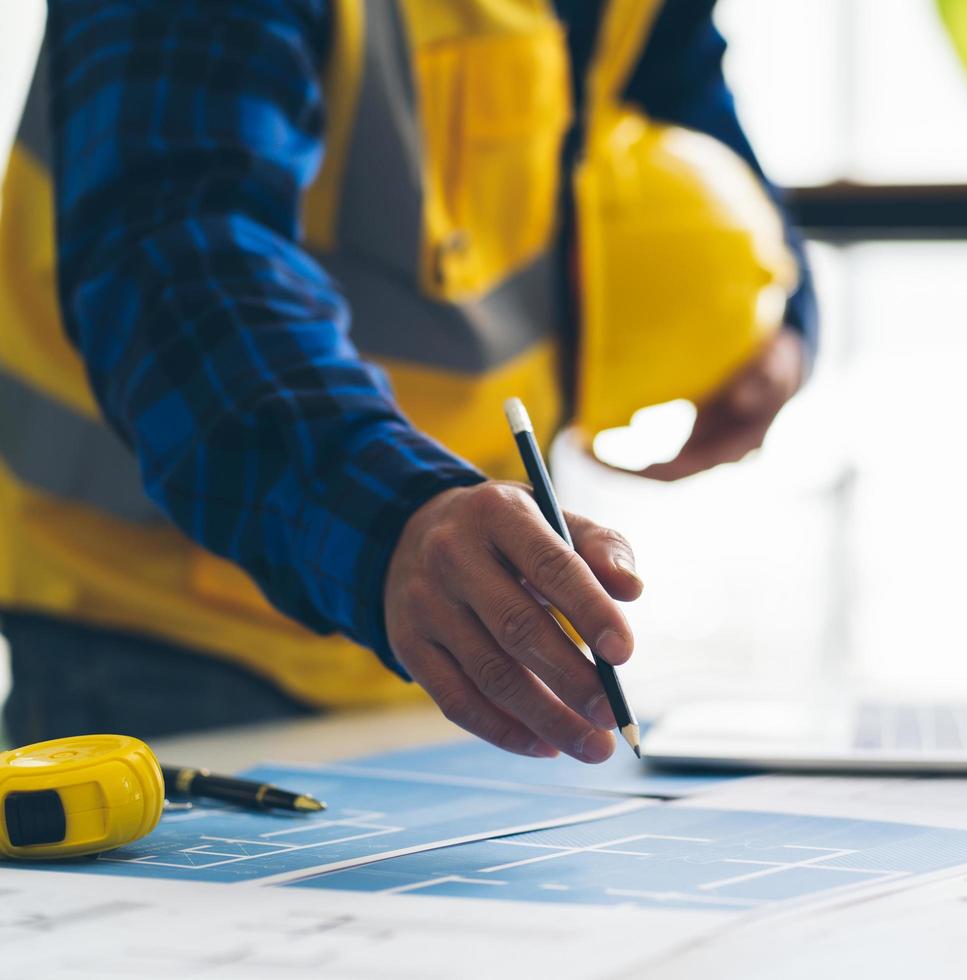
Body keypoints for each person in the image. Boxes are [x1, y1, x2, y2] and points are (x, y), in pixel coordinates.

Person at [0, 0, 816, 762]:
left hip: (453, 615)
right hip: (161, 635)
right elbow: (178, 248)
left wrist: (781, 310)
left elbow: (678, 81)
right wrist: (394, 517)